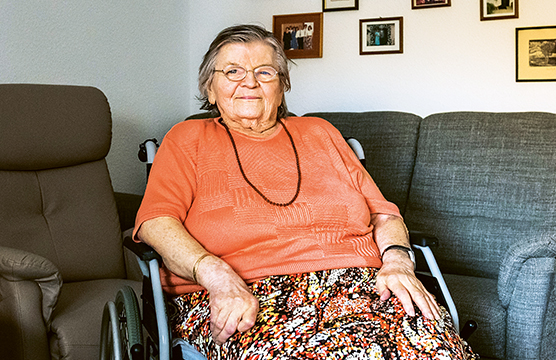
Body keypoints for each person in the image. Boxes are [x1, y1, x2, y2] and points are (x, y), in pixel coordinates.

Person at [134, 24, 478, 359]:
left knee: (437, 347)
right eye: (233, 71)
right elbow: (156, 222)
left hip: (365, 286)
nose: (250, 82)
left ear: (282, 86)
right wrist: (217, 276)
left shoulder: (320, 132)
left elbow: (383, 214)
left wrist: (398, 262)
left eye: (265, 72)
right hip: (247, 293)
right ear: (210, 89)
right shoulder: (187, 138)